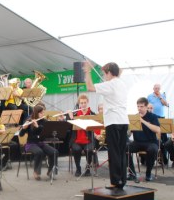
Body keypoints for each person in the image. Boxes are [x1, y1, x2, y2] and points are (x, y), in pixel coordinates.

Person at [84, 61, 129, 190]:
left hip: (113, 121)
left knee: (114, 153)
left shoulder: (110, 84)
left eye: (104, 73)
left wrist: (88, 71)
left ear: (109, 73)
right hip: (123, 121)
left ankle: (115, 181)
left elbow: (90, 87)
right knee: (121, 152)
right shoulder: (121, 83)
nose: (104, 76)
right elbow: (118, 72)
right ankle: (122, 180)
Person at [18, 105, 58, 180]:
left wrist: (37, 126)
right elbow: (21, 134)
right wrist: (24, 128)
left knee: (54, 152)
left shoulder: (44, 121)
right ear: (36, 113)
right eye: (41, 113)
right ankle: (36, 172)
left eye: (43, 112)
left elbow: (44, 133)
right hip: (30, 144)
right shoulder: (29, 120)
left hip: (41, 143)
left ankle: (50, 171)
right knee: (39, 152)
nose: (43, 114)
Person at [127, 97, 160, 182]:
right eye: (138, 106)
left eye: (141, 106)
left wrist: (143, 121)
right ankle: (132, 173)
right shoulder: (134, 117)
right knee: (125, 147)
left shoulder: (152, 116)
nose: (139, 108)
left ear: (146, 107)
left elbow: (157, 130)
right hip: (137, 142)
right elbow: (129, 134)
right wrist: (129, 130)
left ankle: (148, 173)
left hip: (151, 142)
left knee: (152, 149)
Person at [67, 94, 96, 177]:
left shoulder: (92, 114)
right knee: (76, 149)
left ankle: (88, 168)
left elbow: (95, 127)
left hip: (88, 139)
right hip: (76, 140)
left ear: (88, 103)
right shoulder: (75, 114)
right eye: (81, 103)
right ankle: (78, 168)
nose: (83, 105)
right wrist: (71, 118)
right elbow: (69, 128)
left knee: (89, 150)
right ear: (79, 104)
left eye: (84, 103)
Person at [147, 83, 169, 163]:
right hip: (153, 117)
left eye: (158, 88)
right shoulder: (149, 96)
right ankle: (155, 157)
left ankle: (164, 159)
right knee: (154, 136)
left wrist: (160, 97)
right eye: (156, 88)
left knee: (164, 138)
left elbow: (166, 104)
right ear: (153, 88)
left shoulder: (162, 95)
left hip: (161, 118)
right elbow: (147, 106)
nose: (157, 89)